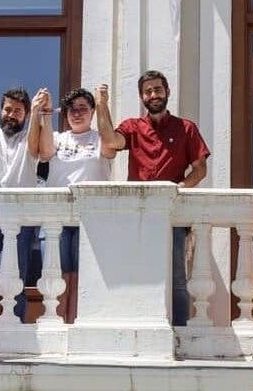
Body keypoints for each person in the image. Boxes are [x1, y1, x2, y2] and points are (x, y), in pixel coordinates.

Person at [97, 70, 210, 326]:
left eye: (158, 90)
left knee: (177, 277)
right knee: (133, 271)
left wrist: (181, 188)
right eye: (148, 91)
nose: (153, 95)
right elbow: (110, 140)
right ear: (141, 97)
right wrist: (102, 105)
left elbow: (200, 169)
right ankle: (131, 325)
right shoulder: (133, 127)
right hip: (136, 213)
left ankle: (179, 330)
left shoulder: (186, 128)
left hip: (172, 213)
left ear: (167, 92)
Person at [0, 87, 52, 324]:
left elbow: (37, 150)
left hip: (21, 219)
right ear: (1, 110)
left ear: (25, 114)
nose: (11, 114)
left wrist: (38, 112)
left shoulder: (29, 136)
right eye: (8, 109)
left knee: (17, 275)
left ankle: (15, 324)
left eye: (18, 111)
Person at [43, 85, 116, 323]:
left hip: (91, 219)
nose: (76, 113)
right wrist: (43, 113)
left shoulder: (99, 138)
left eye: (83, 108)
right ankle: (59, 322)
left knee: (84, 274)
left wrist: (103, 103)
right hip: (58, 218)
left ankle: (77, 322)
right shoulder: (57, 139)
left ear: (92, 112)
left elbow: (111, 147)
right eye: (71, 110)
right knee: (57, 274)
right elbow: (43, 152)